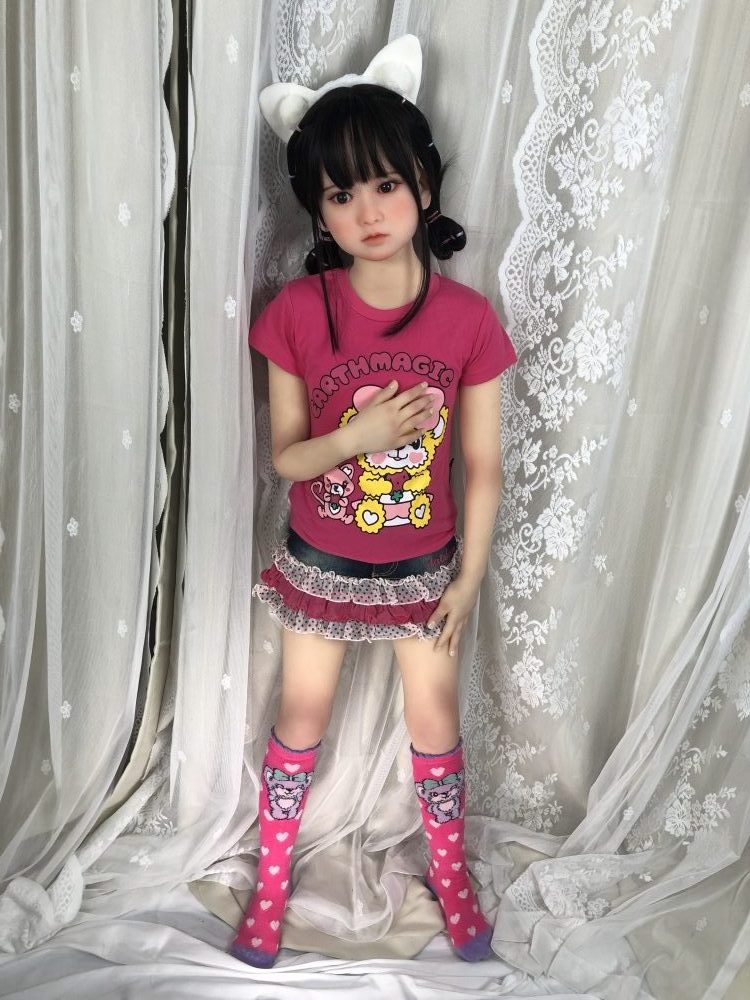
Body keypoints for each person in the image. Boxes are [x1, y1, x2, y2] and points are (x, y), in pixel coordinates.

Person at [230, 35, 517, 969]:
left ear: (424, 186)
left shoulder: (468, 321)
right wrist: (360, 438)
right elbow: (287, 457)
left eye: (386, 185)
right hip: (322, 562)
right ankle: (272, 884)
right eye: (340, 194)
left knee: (435, 720)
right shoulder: (295, 313)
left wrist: (468, 579)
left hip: (426, 568)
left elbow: (482, 464)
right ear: (317, 209)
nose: (367, 212)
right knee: (300, 715)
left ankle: (452, 879)